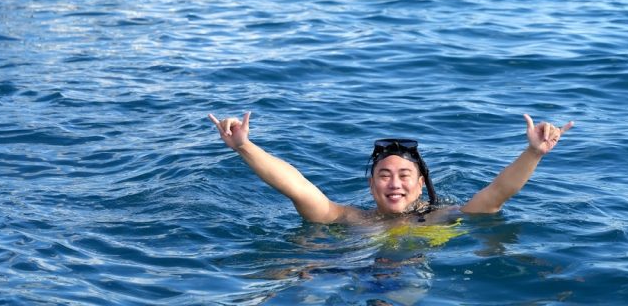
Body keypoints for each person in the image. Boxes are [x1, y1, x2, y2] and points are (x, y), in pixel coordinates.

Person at [208, 112, 574, 224]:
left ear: (420, 185)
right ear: (371, 185)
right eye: (384, 175)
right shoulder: (350, 218)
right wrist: (245, 147)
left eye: (403, 176)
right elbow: (297, 187)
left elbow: (498, 193)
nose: (394, 183)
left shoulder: (445, 217)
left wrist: (534, 153)